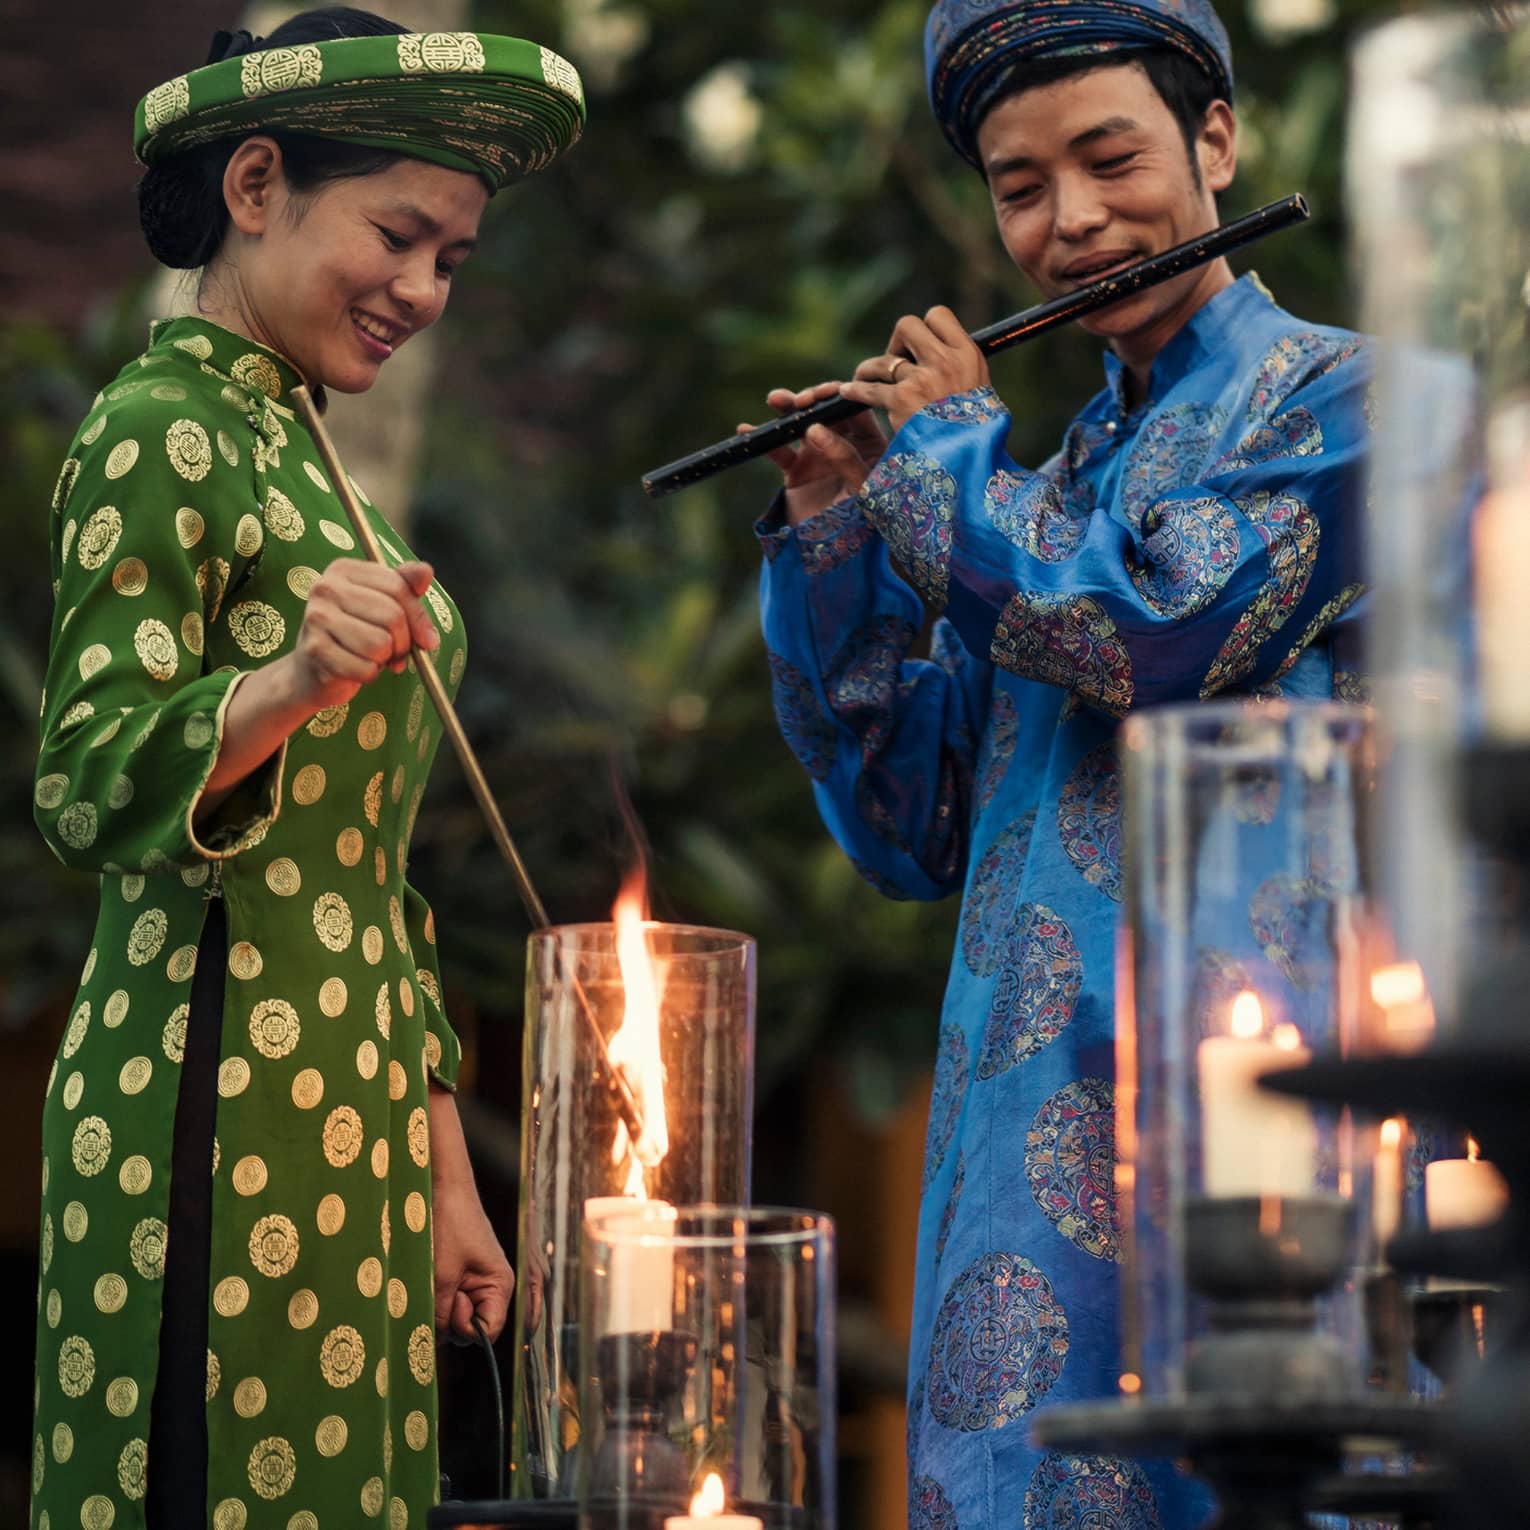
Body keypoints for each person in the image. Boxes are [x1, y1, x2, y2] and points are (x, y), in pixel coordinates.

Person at [749, 1, 1372, 1524]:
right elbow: (909, 826)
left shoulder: (1346, 399)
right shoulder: (1044, 485)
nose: (1073, 222)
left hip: (1260, 1120)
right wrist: (841, 524)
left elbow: (1152, 634)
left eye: (1110, 160)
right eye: (1020, 189)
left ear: (1214, 139)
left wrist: (948, 459)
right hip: (1022, 1156)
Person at [31, 10, 585, 1527]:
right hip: (203, 1090)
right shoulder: (161, 428)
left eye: (450, 263)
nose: (420, 290)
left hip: (347, 1099)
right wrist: (286, 680)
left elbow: (359, 870)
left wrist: (445, 1174)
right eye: (399, 235)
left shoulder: (310, 454)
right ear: (258, 184)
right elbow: (84, 783)